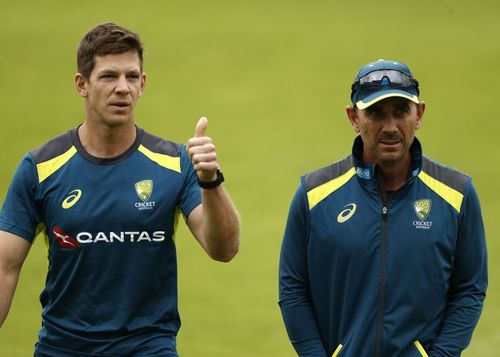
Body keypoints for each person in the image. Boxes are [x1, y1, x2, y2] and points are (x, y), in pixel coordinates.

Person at [0, 23, 240, 357]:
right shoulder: (40, 168)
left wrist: (211, 181)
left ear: (143, 84)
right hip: (63, 348)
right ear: (82, 84)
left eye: (131, 77)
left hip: (148, 347)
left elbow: (224, 248)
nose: (122, 88)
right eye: (109, 76)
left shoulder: (174, 163)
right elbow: (4, 268)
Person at [279, 59, 487, 357]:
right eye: (375, 113)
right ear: (353, 117)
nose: (390, 127)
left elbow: (469, 288)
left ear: (419, 114)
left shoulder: (457, 195)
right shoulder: (313, 196)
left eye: (401, 111)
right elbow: (293, 289)